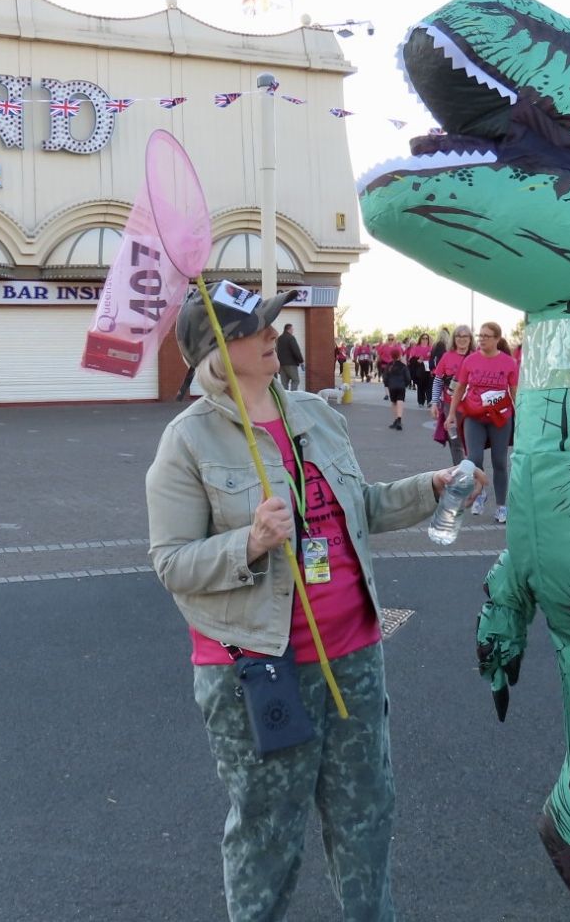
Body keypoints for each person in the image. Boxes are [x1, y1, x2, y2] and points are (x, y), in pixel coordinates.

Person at [145, 282, 478, 922]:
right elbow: (172, 562)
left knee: (366, 815)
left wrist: (429, 486)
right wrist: (248, 542)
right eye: (257, 328)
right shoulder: (187, 443)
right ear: (217, 350)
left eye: (273, 323)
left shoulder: (315, 415)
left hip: (353, 652)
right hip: (260, 670)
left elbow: (363, 509)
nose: (275, 334)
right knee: (268, 833)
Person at [449, 321, 520, 524]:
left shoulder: (508, 362)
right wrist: (451, 414)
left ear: (497, 339)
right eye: (480, 336)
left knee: (499, 461)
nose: (481, 340)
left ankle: (501, 506)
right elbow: (460, 388)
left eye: (486, 336)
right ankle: (480, 494)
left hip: (500, 418)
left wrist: (521, 415)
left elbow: (514, 392)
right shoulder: (470, 361)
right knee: (474, 458)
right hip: (474, 416)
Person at [432, 325, 475, 466]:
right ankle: (460, 475)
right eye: (459, 336)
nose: (462, 339)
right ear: (454, 339)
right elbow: (438, 380)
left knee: (472, 443)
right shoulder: (447, 357)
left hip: (473, 407)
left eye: (465, 336)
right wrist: (434, 403)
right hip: (450, 406)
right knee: (455, 442)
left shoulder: (477, 356)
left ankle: (473, 476)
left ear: (470, 339)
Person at [381, 351, 410, 430]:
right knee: (400, 401)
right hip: (401, 386)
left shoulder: (389, 366)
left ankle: (396, 420)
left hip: (392, 386)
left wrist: (387, 384)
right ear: (399, 356)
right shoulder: (403, 366)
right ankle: (399, 419)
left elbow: (385, 377)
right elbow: (408, 378)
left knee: (394, 402)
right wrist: (405, 384)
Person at [275, 322, 305, 391]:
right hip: (291, 364)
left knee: (284, 383)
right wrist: (301, 361)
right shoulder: (291, 338)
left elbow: (276, 350)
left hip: (282, 365)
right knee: (295, 380)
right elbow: (296, 350)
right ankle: (293, 395)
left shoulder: (279, 339)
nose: (293, 331)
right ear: (288, 329)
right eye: (292, 329)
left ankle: (285, 398)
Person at [408, 333, 434, 408]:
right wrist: (417, 360)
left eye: (426, 338)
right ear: (420, 339)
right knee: (421, 385)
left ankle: (429, 401)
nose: (425, 340)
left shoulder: (431, 348)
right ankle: (421, 401)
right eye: (423, 338)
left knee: (429, 385)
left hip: (428, 368)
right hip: (419, 368)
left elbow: (434, 358)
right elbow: (410, 359)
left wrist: (431, 355)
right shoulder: (416, 348)